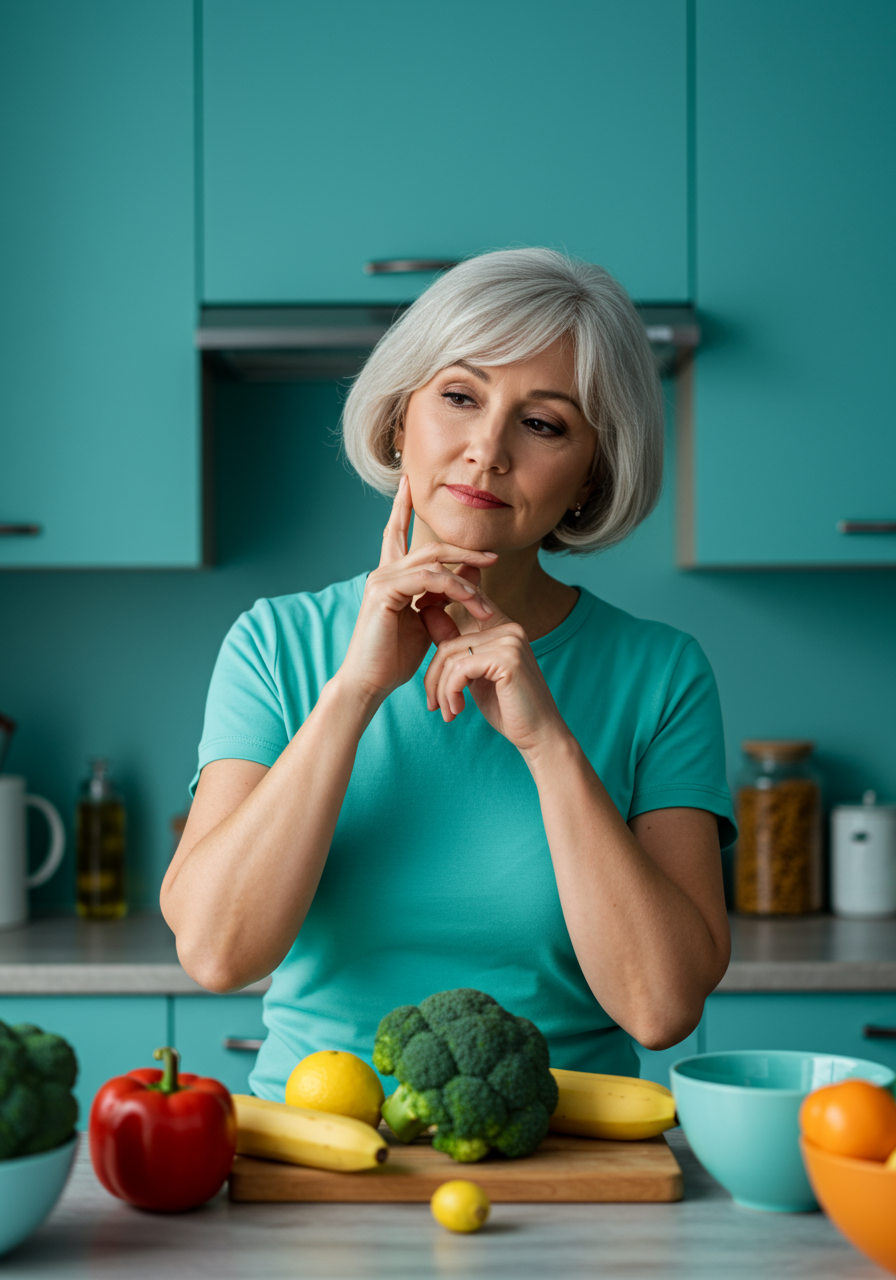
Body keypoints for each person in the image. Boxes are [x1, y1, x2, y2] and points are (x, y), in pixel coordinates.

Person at [161, 248, 734, 1099]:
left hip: (572, 1156)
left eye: (543, 424)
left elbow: (660, 1009)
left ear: (589, 478)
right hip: (323, 1152)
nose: (487, 450)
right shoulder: (275, 644)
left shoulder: (660, 673)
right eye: (459, 398)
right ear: (400, 423)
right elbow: (216, 953)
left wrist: (548, 746)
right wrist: (352, 694)